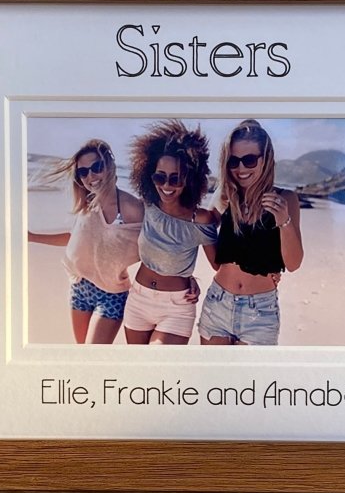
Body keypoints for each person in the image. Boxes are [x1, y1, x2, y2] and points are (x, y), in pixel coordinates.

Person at [198, 119, 303, 346]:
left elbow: (294, 263)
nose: (241, 169)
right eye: (234, 161)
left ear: (265, 159)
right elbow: (203, 225)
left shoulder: (286, 199)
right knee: (211, 380)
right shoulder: (226, 196)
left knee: (249, 381)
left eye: (249, 160)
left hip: (260, 313)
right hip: (217, 303)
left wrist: (283, 220)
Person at [27, 139, 142, 344]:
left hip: (111, 294)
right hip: (79, 288)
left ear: (108, 166)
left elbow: (155, 248)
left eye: (96, 167)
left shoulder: (132, 208)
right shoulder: (88, 204)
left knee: (92, 356)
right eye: (83, 172)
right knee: (82, 356)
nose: (91, 176)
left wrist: (182, 280)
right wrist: (32, 237)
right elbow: (74, 239)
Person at [123, 120, 218, 344]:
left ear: (190, 179)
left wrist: (267, 271)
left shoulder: (200, 220)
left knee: (158, 365)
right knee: (140, 373)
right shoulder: (148, 205)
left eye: (176, 178)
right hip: (137, 299)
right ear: (149, 175)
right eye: (160, 176)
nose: (167, 185)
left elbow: (220, 266)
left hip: (177, 308)